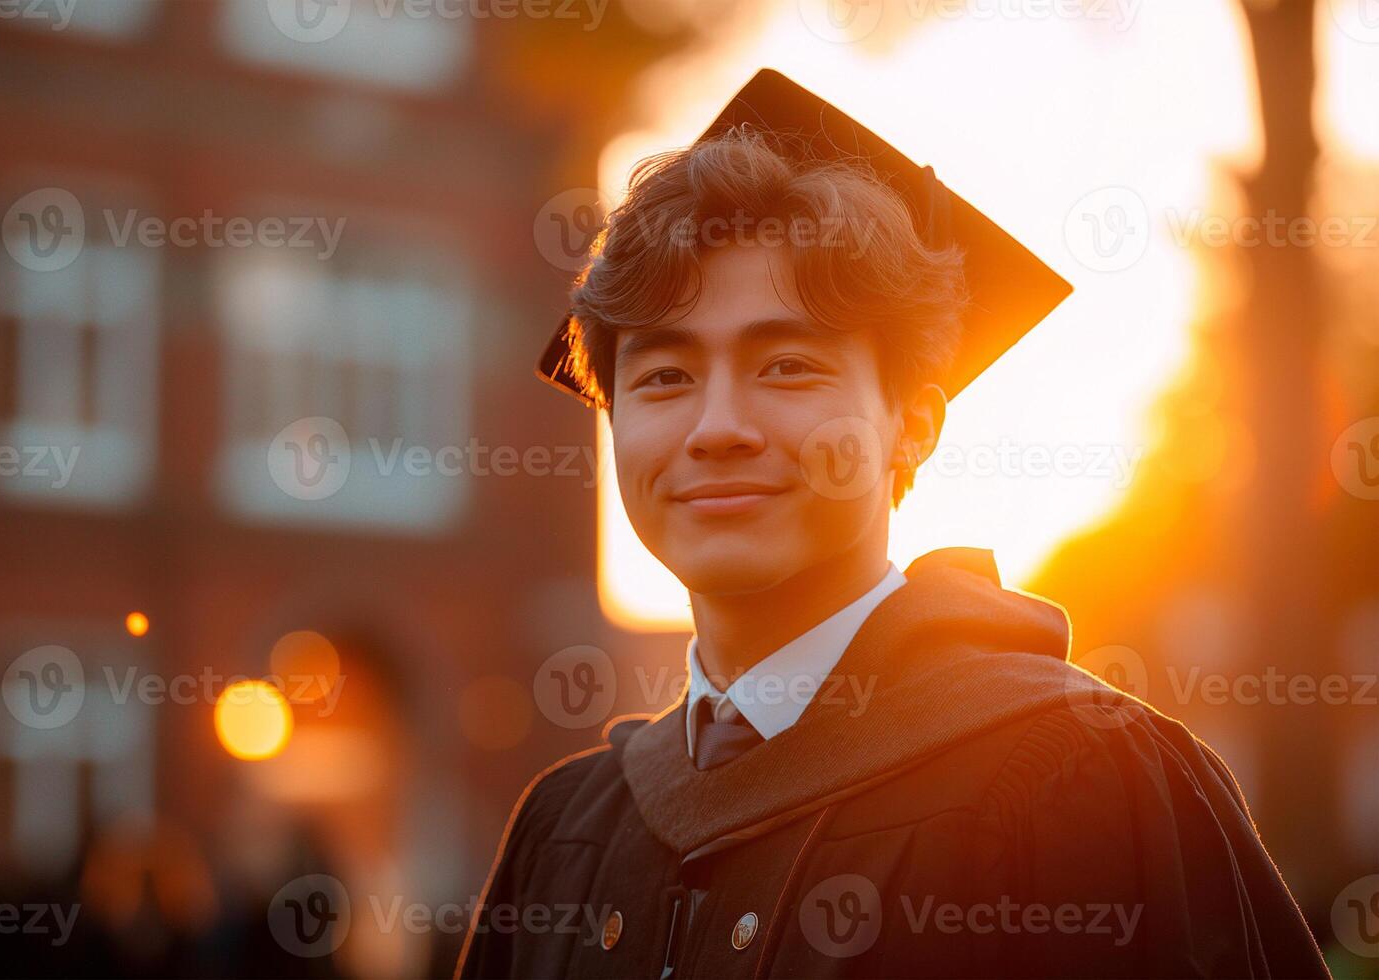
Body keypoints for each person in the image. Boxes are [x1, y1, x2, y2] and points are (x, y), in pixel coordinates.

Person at [456, 69, 1329, 979]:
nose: (716, 428)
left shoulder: (1081, 778)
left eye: (787, 366)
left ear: (913, 424)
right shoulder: (564, 831)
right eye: (663, 378)